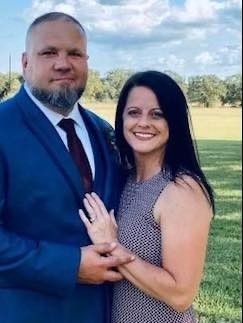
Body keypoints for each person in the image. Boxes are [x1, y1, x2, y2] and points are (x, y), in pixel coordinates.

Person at [0, 12, 134, 323]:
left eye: (74, 53)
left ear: (87, 61)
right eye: (48, 53)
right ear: (25, 62)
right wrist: (70, 265)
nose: (63, 63)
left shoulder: (105, 132)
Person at [79, 71, 214, 322]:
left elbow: (180, 294)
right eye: (134, 113)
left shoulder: (181, 190)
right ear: (121, 119)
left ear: (173, 121)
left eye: (157, 114)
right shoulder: (124, 178)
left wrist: (113, 247)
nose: (143, 123)